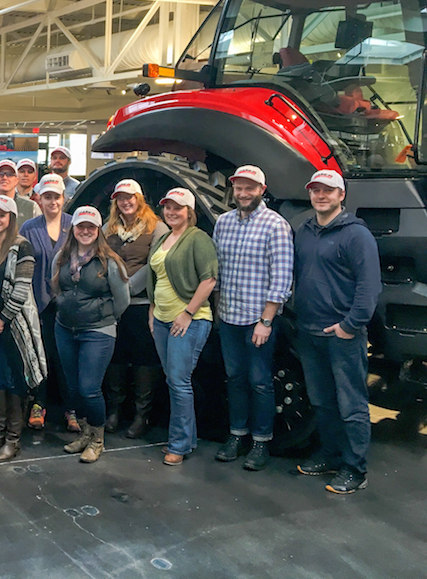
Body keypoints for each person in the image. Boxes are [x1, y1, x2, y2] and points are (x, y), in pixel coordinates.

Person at [294, 169, 380, 495]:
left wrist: (349, 326)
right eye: (316, 190)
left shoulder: (357, 236)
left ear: (341, 195)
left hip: (341, 335)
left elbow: (369, 287)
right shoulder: (304, 231)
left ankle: (355, 469)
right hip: (309, 331)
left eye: (328, 190)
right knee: (322, 402)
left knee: (351, 404)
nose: (321, 195)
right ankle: (329, 456)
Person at [212, 165, 294, 471]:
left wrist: (267, 321)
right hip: (230, 317)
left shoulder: (276, 226)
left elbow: (282, 278)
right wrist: (219, 309)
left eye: (250, 188)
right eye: (239, 188)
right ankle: (237, 435)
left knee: (260, 381)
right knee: (234, 379)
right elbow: (218, 271)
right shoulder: (223, 223)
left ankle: (261, 442)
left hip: (257, 320)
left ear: (262, 190)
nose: (244, 193)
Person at [0, 195, 45, 462]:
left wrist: (1, 318)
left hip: (13, 326)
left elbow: (22, 289)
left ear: (11, 219)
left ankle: (13, 440)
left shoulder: (22, 247)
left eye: (2, 215)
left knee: (15, 380)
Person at [147, 187, 218, 466]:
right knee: (174, 381)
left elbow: (209, 279)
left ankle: (178, 444)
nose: (171, 212)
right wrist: (153, 311)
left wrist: (187, 313)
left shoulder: (198, 239)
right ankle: (187, 439)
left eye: (178, 207)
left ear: (190, 212)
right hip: (163, 320)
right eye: (167, 207)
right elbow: (157, 279)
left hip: (189, 320)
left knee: (179, 382)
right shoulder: (164, 237)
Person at [53, 207, 130, 464]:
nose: (85, 231)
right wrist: (65, 305)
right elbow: (56, 287)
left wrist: (101, 315)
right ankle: (85, 434)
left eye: (91, 227)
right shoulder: (62, 258)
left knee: (89, 388)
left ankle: (98, 439)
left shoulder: (110, 262)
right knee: (73, 387)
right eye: (80, 226)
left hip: (98, 331)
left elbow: (122, 301)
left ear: (98, 231)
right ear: (73, 229)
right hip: (65, 328)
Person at [102, 179, 169, 439]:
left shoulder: (157, 228)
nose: (125, 202)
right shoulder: (108, 228)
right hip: (113, 306)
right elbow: (102, 259)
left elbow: (153, 264)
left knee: (144, 360)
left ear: (139, 199)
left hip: (141, 305)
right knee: (115, 358)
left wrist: (126, 291)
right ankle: (115, 410)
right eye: (120, 198)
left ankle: (142, 415)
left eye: (130, 197)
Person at [20, 174, 76, 432]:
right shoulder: (29, 228)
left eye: (57, 197)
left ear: (64, 199)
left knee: (67, 357)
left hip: (68, 304)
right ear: (39, 199)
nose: (52, 201)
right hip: (37, 302)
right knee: (39, 355)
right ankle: (38, 404)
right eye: (47, 197)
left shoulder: (75, 225)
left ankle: (71, 408)